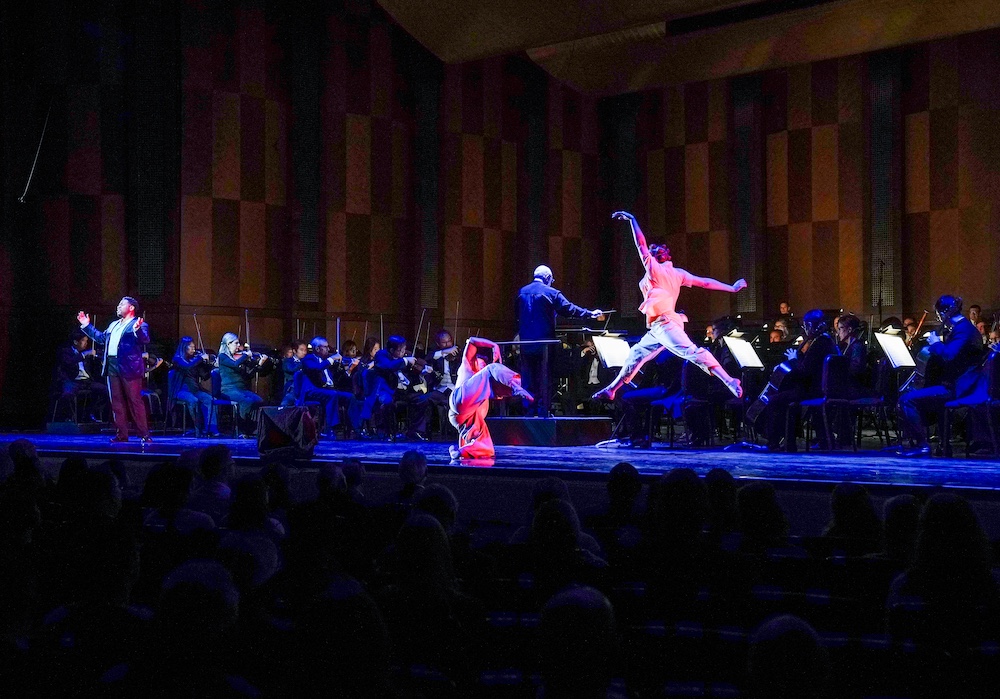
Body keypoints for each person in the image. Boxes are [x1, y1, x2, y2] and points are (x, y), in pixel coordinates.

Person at [592, 211, 746, 404]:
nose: (653, 253)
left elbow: (641, 246)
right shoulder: (675, 273)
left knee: (692, 352)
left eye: (656, 251)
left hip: (666, 324)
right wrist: (731, 288)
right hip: (658, 327)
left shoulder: (656, 270)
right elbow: (704, 282)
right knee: (637, 354)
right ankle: (612, 389)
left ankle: (729, 380)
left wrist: (633, 220)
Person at [896, 294, 985, 456]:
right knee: (919, 396)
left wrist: (935, 342)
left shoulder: (964, 330)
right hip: (958, 384)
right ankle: (943, 445)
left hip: (960, 388)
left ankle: (923, 445)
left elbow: (949, 355)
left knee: (906, 400)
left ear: (943, 313)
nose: (939, 319)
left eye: (939, 315)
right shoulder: (962, 328)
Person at [517, 264, 604, 417]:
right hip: (545, 345)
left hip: (525, 344)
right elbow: (569, 309)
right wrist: (589, 314)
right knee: (545, 378)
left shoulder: (521, 292)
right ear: (548, 278)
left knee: (528, 379)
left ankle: (528, 414)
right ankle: (544, 412)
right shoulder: (551, 292)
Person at [762, 309, 838, 452]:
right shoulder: (827, 341)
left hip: (812, 390)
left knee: (774, 400)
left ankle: (775, 443)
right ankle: (788, 442)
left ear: (811, 326)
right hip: (816, 388)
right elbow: (810, 366)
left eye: (806, 326)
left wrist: (794, 360)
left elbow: (805, 372)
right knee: (787, 398)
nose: (805, 329)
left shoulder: (819, 343)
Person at [77, 297, 151, 444]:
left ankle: (144, 434)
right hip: (112, 364)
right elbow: (101, 338)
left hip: (129, 366)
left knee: (134, 401)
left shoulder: (138, 324)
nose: (118, 306)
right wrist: (87, 326)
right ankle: (122, 435)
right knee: (116, 402)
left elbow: (145, 339)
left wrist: (138, 331)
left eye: (122, 304)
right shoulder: (113, 325)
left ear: (131, 308)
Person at [448, 336, 534, 462]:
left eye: (483, 365)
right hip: (460, 399)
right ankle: (516, 386)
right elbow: (471, 341)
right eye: (481, 363)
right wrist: (494, 345)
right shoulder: (468, 366)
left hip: (462, 418)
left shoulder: (484, 386)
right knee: (492, 369)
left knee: (486, 447)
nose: (482, 367)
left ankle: (460, 451)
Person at [371, 335, 432, 440]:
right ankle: (388, 432)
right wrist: (405, 361)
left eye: (404, 349)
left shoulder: (405, 356)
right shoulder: (381, 355)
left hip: (403, 392)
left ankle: (415, 431)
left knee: (423, 400)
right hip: (387, 390)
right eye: (400, 350)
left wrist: (422, 372)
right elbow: (389, 366)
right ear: (391, 350)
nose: (404, 352)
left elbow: (412, 374)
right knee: (387, 402)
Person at [217, 332, 267, 436]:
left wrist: (259, 364)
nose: (238, 346)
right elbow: (235, 364)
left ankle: (252, 428)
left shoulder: (237, 358)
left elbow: (248, 375)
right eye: (236, 343)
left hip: (241, 389)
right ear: (228, 344)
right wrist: (245, 355)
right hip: (228, 390)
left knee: (259, 400)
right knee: (246, 401)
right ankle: (241, 428)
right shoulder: (223, 357)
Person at [301, 336, 353, 438]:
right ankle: (333, 427)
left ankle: (354, 428)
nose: (328, 349)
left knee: (350, 397)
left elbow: (336, 377)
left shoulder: (326, 361)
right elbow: (316, 368)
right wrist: (331, 359)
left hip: (327, 389)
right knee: (332, 395)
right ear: (317, 349)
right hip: (313, 390)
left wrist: (345, 368)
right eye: (325, 347)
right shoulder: (309, 358)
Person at [52, 329, 107, 422]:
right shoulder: (66, 351)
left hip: (86, 381)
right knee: (67, 394)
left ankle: (89, 413)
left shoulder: (87, 353)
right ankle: (69, 417)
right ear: (75, 342)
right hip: (72, 380)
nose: (86, 343)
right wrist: (84, 354)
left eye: (86, 341)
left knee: (106, 391)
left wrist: (99, 359)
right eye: (83, 341)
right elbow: (69, 362)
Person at [171, 336, 218, 437]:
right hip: (182, 390)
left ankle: (211, 429)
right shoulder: (177, 359)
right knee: (193, 400)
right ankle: (198, 430)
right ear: (184, 348)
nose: (194, 349)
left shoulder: (194, 360)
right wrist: (200, 358)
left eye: (194, 347)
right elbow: (187, 366)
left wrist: (211, 366)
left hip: (195, 390)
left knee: (209, 399)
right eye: (191, 347)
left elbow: (204, 376)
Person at [279, 339, 308, 406]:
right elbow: (291, 369)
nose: (304, 352)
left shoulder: (307, 362)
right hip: (292, 387)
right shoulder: (287, 361)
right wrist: (303, 363)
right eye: (301, 350)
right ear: (295, 351)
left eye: (305, 350)